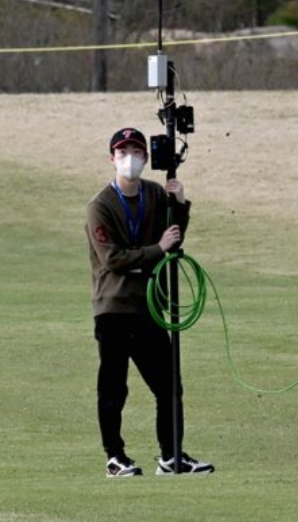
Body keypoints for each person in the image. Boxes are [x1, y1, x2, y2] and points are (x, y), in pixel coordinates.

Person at [86, 127, 215, 478]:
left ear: (145, 157)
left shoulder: (155, 194)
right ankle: (115, 457)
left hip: (148, 308)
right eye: (123, 151)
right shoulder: (101, 206)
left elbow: (173, 237)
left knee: (168, 384)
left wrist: (180, 204)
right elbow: (113, 258)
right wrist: (155, 250)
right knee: (114, 387)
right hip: (113, 309)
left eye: (136, 151)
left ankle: (171, 455)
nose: (130, 158)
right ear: (112, 158)